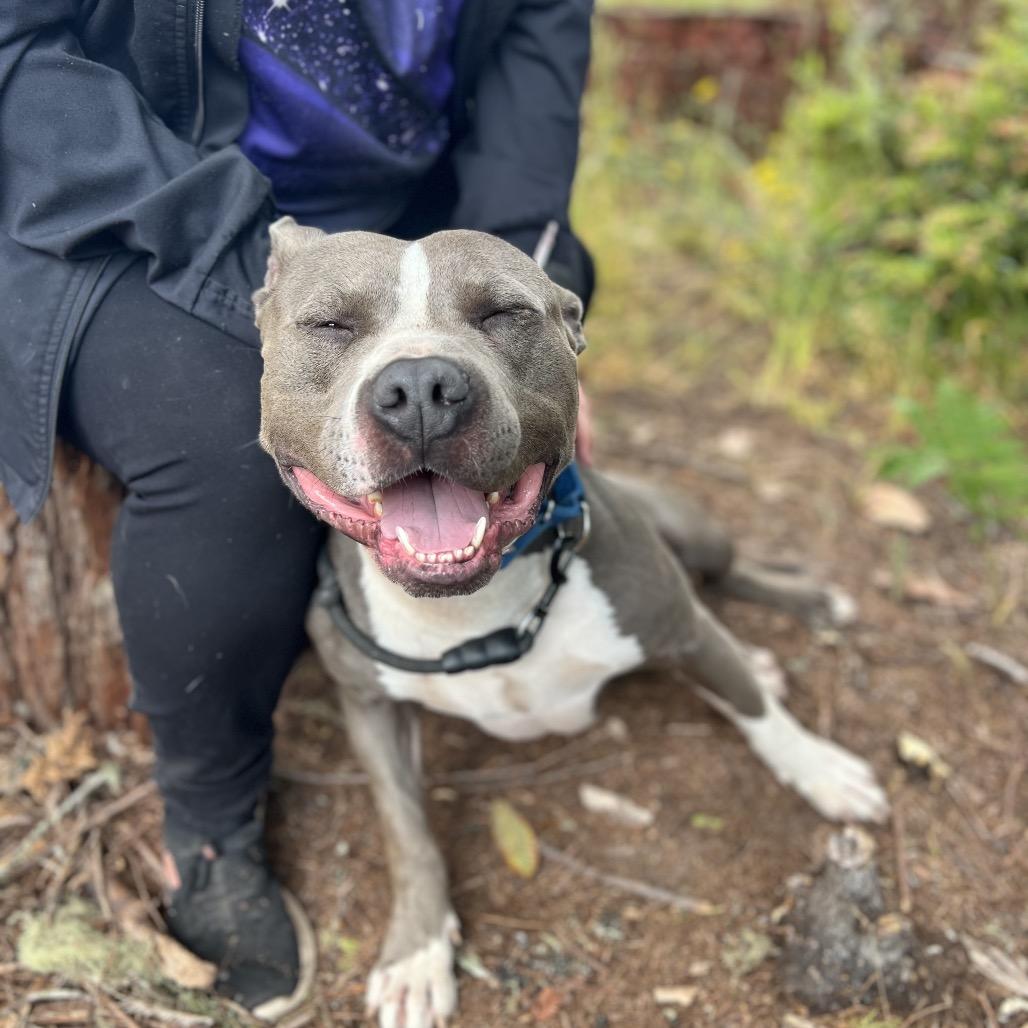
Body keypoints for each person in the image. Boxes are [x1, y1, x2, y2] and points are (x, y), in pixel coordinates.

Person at [0, 0, 594, 1015]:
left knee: (482, 394)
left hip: (408, 213)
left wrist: (505, 318)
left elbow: (529, 76)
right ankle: (209, 816)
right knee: (231, 437)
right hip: (125, 198)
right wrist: (258, 256)